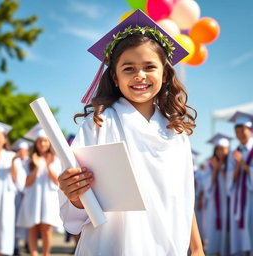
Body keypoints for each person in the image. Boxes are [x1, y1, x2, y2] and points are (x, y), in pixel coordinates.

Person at [58, 10, 204, 256]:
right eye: (128, 68)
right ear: (114, 77)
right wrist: (73, 194)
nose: (140, 76)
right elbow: (81, 205)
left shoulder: (176, 131)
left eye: (150, 67)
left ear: (165, 74)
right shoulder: (98, 124)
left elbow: (183, 195)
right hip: (111, 245)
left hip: (166, 244)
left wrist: (197, 248)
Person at [17, 124, 62, 256]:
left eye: (45, 141)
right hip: (33, 197)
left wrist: (48, 166)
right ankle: (34, 254)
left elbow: (57, 180)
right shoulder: (30, 161)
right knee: (33, 227)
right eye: (40, 141)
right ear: (36, 143)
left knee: (46, 228)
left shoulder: (55, 160)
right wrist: (36, 167)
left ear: (49, 143)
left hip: (48, 197)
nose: (42, 144)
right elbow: (26, 182)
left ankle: (46, 254)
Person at [227, 111, 253, 256]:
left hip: (251, 196)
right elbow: (231, 178)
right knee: (240, 232)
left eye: (242, 130)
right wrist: (237, 165)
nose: (240, 134)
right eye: (237, 132)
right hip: (238, 197)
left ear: (250, 130)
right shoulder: (234, 153)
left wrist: (242, 163)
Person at [203, 134, 232, 256]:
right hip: (215, 203)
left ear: (228, 150)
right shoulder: (210, 165)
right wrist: (215, 169)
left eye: (223, 149)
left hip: (228, 202)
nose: (220, 152)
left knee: (228, 228)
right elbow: (207, 185)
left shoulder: (230, 164)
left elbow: (231, 181)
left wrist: (220, 168)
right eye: (218, 149)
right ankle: (216, 251)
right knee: (214, 227)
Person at [0, 121, 18, 256]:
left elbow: (18, 180)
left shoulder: (11, 156)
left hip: (6, 199)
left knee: (4, 231)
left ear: (5, 139)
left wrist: (14, 163)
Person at [11, 138, 32, 256]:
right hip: (17, 195)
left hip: (29, 194)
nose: (22, 152)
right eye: (20, 150)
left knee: (28, 221)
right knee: (16, 221)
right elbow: (14, 177)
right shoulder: (15, 161)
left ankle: (29, 243)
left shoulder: (31, 161)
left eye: (24, 150)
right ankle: (15, 245)